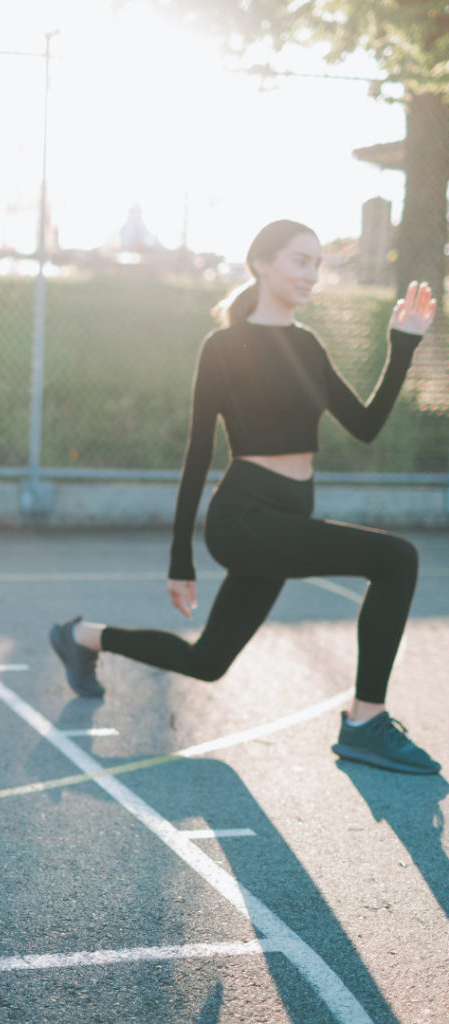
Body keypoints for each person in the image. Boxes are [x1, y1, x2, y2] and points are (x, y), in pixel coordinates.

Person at [50, 218, 440, 776]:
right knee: (396, 559)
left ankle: (80, 636)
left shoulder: (307, 346)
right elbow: (197, 452)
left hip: (286, 515)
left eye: (318, 264)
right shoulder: (224, 346)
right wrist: (180, 557)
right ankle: (365, 721)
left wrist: (401, 346)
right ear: (262, 263)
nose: (312, 274)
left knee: (206, 662)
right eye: (300, 261)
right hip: (244, 515)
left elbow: (366, 425)